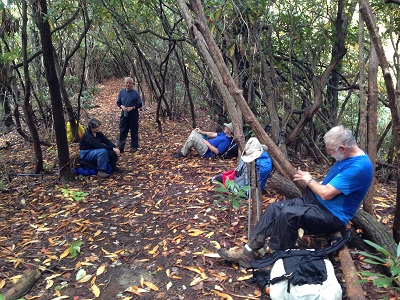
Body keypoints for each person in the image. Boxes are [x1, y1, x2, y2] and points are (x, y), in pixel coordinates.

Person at [218, 125, 373, 268]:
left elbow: (326, 193)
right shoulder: (348, 157)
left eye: (331, 151)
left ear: (342, 148)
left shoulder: (358, 167)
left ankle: (275, 261)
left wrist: (309, 180)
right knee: (274, 208)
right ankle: (248, 252)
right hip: (315, 203)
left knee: (288, 214)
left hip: (332, 215)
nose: (330, 154)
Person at [116, 77, 143, 153]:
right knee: (122, 130)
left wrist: (133, 107)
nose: (128, 84)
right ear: (124, 83)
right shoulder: (122, 92)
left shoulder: (135, 93)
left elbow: (140, 104)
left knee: (134, 130)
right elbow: (118, 102)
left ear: (132, 84)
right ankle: (120, 146)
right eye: (126, 83)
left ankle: (134, 146)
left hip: (133, 114)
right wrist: (122, 106)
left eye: (129, 83)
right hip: (124, 113)